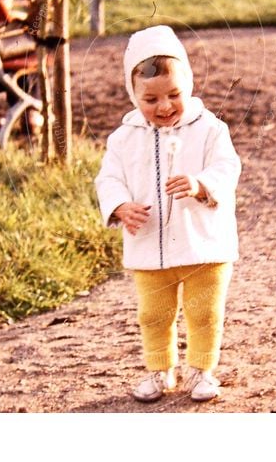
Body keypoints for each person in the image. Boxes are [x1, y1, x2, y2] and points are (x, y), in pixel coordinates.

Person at [95, 25, 241, 403]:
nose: (164, 107)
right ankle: (160, 372)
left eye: (174, 95)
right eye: (151, 98)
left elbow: (228, 167)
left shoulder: (209, 129)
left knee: (204, 311)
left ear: (188, 84)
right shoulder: (123, 138)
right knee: (153, 315)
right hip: (149, 246)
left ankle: (201, 370)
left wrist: (200, 184)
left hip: (202, 245)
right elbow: (108, 178)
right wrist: (119, 206)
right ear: (134, 95)